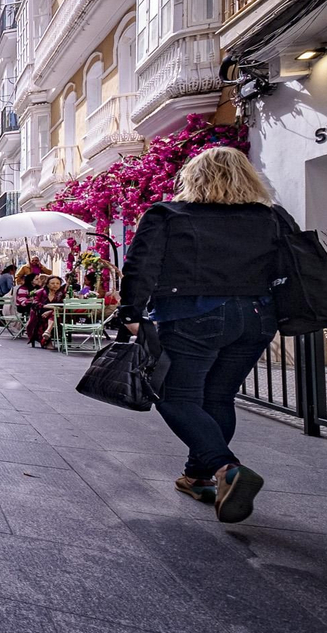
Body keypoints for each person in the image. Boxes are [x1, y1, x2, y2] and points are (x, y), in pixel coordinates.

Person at [119, 147, 285, 523]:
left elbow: (140, 266)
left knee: (173, 395)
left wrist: (130, 312)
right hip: (257, 317)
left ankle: (226, 468)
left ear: (192, 178)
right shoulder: (269, 218)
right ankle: (198, 476)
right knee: (218, 397)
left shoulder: (167, 214)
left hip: (193, 315)